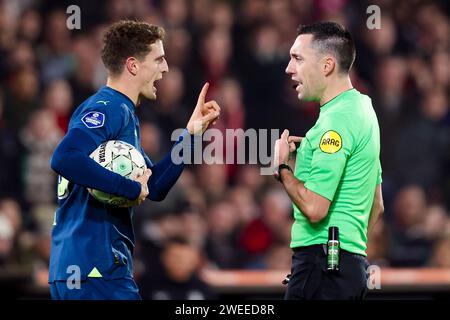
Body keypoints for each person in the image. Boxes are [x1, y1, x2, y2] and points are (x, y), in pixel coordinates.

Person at [48, 20, 220, 300]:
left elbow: (155, 187)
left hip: (83, 267)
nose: (165, 68)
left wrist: (191, 134)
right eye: (159, 59)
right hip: (95, 267)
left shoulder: (123, 113)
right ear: (133, 65)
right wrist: (128, 188)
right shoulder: (109, 107)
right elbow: (65, 157)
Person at [273, 22, 384, 300]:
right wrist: (349, 254)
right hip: (349, 268)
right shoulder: (364, 110)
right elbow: (377, 205)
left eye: (297, 58)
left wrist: (283, 168)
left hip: (321, 265)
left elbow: (315, 208)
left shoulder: (333, 123)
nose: (289, 68)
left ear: (327, 65)